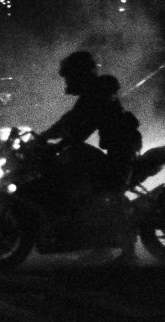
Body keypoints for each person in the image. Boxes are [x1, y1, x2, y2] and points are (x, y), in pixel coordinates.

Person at [41, 51, 142, 262]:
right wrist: (44, 137)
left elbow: (80, 126)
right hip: (119, 147)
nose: (67, 80)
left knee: (109, 193)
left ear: (79, 73)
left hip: (122, 149)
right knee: (86, 188)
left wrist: (55, 143)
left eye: (69, 75)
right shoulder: (93, 92)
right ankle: (101, 245)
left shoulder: (97, 93)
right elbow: (70, 121)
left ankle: (128, 252)